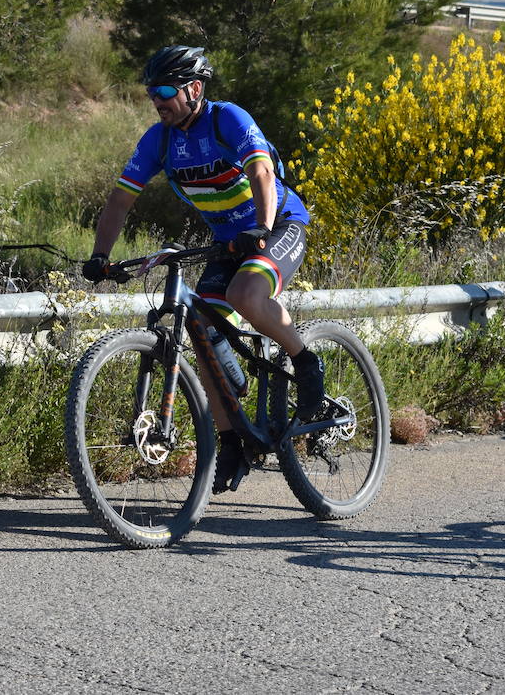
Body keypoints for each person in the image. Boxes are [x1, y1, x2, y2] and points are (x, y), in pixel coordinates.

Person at [82, 45, 324, 493]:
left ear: (194, 89)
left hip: (278, 223)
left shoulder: (226, 118)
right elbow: (121, 200)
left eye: (165, 90)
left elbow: (263, 174)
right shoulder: (160, 140)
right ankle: (233, 440)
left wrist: (263, 227)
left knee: (246, 296)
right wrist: (100, 255)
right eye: (151, 92)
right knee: (200, 330)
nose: (157, 99)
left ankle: (306, 361)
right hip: (228, 243)